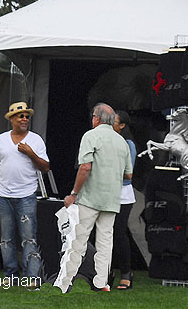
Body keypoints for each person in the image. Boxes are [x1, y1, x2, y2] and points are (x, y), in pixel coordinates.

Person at [54, 103, 132, 292]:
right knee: (106, 242)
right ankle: (101, 283)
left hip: (90, 197)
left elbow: (85, 167)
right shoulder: (122, 141)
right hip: (112, 199)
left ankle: (64, 282)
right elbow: (128, 175)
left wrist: (73, 194)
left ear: (96, 118)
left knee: (77, 240)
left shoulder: (90, 135)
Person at [0, 101, 50, 285]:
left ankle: (32, 277)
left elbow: (46, 167)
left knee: (29, 237)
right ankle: (10, 275)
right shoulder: (1, 139)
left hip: (27, 196)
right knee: (6, 239)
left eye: (27, 116)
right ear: (12, 119)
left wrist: (31, 153)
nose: (25, 119)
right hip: (4, 196)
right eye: (21, 116)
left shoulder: (35, 140)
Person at [112, 110, 137, 290]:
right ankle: (104, 272)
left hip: (122, 195)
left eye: (114, 121)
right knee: (104, 235)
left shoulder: (128, 144)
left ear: (122, 126)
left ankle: (126, 273)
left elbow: (128, 174)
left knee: (119, 234)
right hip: (104, 193)